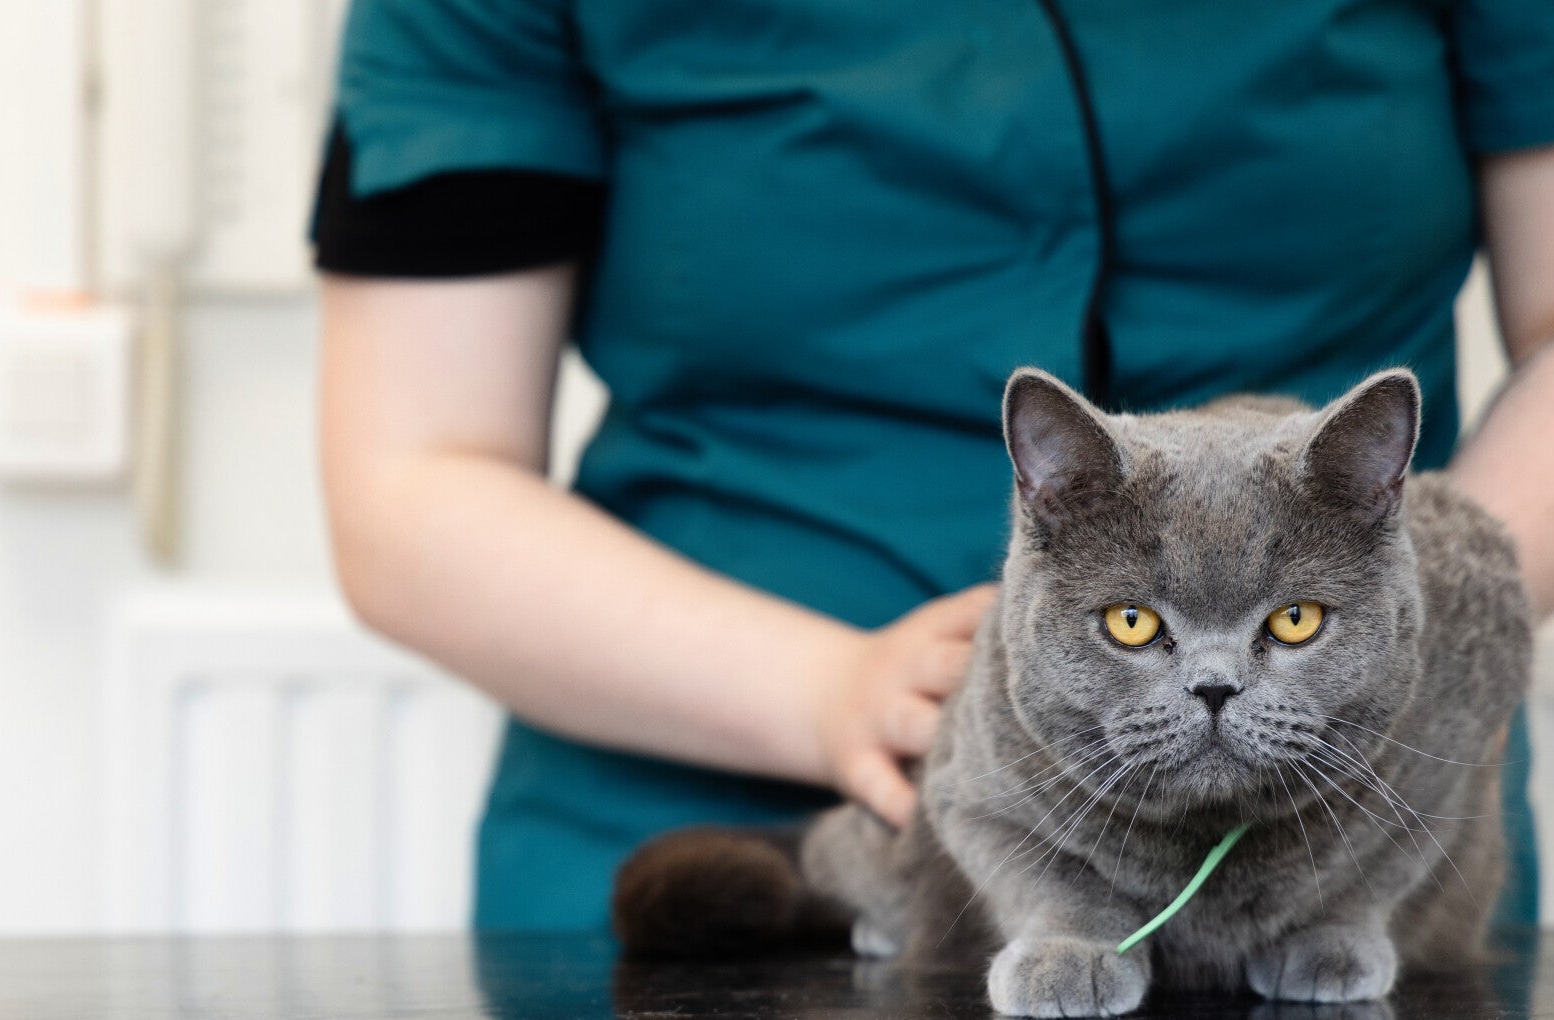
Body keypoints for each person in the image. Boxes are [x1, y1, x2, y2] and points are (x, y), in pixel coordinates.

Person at [313, 1, 1554, 931]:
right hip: (716, 834)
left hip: (1355, 837)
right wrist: (830, 692)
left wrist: (1425, 617)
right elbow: (415, 478)